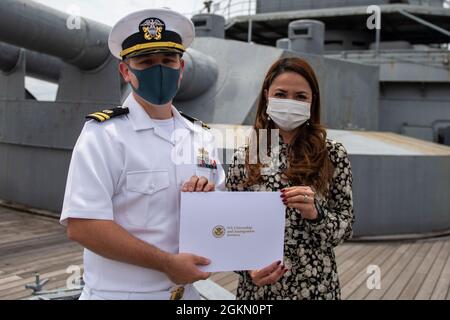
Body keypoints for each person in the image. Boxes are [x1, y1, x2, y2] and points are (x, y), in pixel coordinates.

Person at [60, 8, 225, 300]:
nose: (158, 69)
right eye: (146, 61)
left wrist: (207, 200)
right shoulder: (104, 135)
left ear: (181, 68)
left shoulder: (202, 137)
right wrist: (166, 263)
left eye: (167, 60)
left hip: (188, 296)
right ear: (126, 71)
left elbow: (221, 217)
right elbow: (82, 226)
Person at [226, 57, 355, 300]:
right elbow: (230, 228)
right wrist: (246, 270)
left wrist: (316, 215)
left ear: (311, 101)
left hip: (316, 287)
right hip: (259, 292)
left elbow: (346, 226)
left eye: (300, 97)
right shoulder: (245, 157)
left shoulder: (333, 154)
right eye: (281, 94)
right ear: (267, 96)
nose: (289, 102)